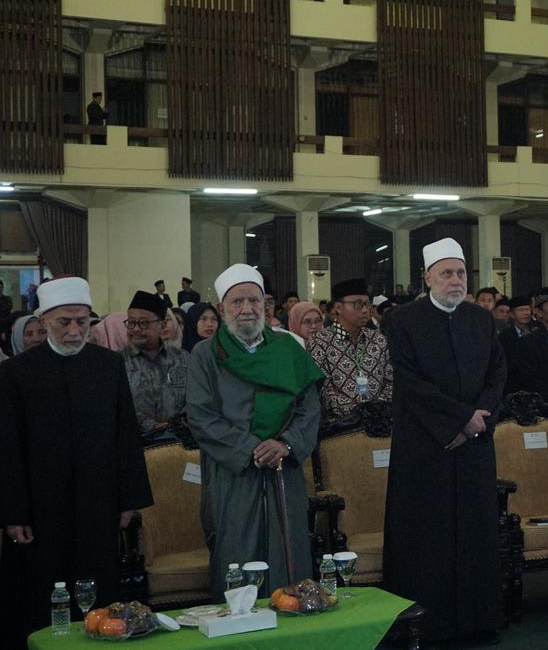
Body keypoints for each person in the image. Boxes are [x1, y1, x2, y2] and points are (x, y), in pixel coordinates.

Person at [0, 277, 153, 647]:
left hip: (97, 503)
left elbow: (125, 434)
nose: (73, 331)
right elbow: (8, 446)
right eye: (63, 322)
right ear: (44, 321)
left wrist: (128, 500)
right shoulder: (16, 372)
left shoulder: (108, 365)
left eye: (82, 322)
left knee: (98, 591)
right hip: (39, 509)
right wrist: (13, 512)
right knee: (39, 595)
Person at [382, 237, 506, 645]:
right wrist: (457, 420)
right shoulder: (403, 321)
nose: (455, 280)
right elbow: (409, 381)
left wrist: (478, 418)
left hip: (474, 445)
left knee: (474, 534)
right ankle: (426, 626)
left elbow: (497, 374)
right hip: (426, 446)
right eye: (447, 273)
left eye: (461, 273)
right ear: (427, 277)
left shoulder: (481, 319)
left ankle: (477, 621)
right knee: (427, 537)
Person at [185, 264, 323, 600]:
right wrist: (251, 448)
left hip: (284, 468)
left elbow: (309, 408)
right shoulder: (206, 354)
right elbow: (202, 417)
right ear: (221, 309)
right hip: (233, 472)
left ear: (266, 306)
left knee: (289, 555)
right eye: (237, 302)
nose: (247, 309)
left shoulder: (288, 349)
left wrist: (285, 444)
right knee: (237, 553)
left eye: (254, 301)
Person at [307, 279, 393, 428]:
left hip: (380, 422)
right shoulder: (320, 342)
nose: (365, 310)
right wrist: (359, 411)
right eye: (358, 304)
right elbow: (322, 391)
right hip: (340, 427)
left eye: (367, 304)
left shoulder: (378, 340)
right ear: (338, 308)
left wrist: (377, 408)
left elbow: (390, 381)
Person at [121, 291, 188, 443]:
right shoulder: (116, 362)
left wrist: (176, 426)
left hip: (181, 442)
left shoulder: (183, 359)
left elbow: (195, 398)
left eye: (143, 323)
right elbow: (119, 406)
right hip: (135, 443)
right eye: (131, 323)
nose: (136, 329)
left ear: (162, 325)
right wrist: (154, 427)